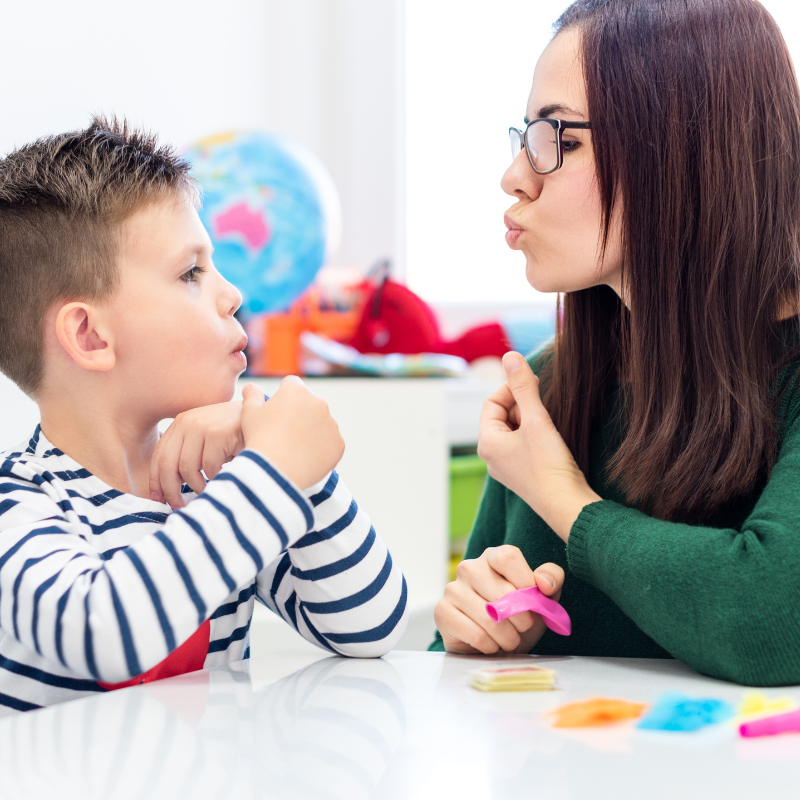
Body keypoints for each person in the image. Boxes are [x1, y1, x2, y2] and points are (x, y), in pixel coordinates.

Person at [431, 0, 800, 686]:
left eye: (556, 138)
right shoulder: (548, 386)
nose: (515, 175)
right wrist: (476, 632)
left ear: (684, 152)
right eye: (525, 135)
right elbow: (455, 676)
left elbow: (772, 621)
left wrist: (566, 502)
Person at [0, 117, 407, 714]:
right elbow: (103, 631)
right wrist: (272, 472)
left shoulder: (210, 490)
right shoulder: (19, 508)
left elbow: (369, 627)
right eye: (191, 272)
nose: (233, 293)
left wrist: (306, 476)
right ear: (89, 335)